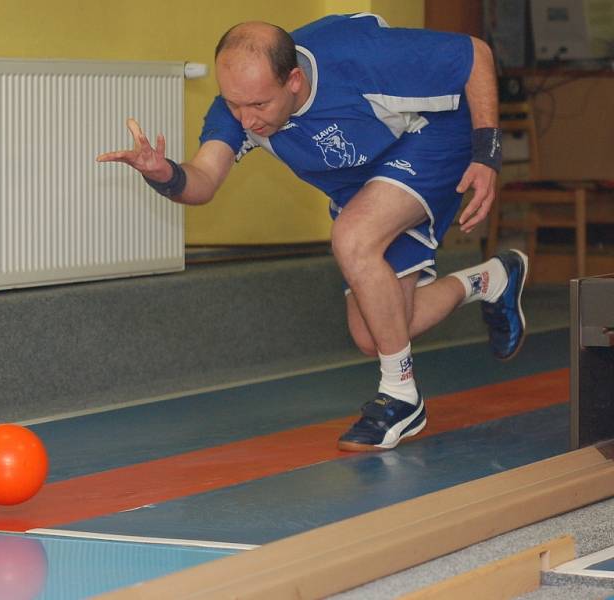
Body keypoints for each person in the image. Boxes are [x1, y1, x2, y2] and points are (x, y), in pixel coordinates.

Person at [96, 14, 528, 452]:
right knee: (375, 333)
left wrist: (487, 152)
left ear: (295, 81)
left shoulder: (356, 55)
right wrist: (163, 173)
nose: (246, 120)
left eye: (259, 106)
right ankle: (494, 279)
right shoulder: (241, 108)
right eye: (233, 104)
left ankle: (402, 397)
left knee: (353, 237)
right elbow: (203, 180)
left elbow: (475, 53)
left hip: (435, 136)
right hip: (364, 181)